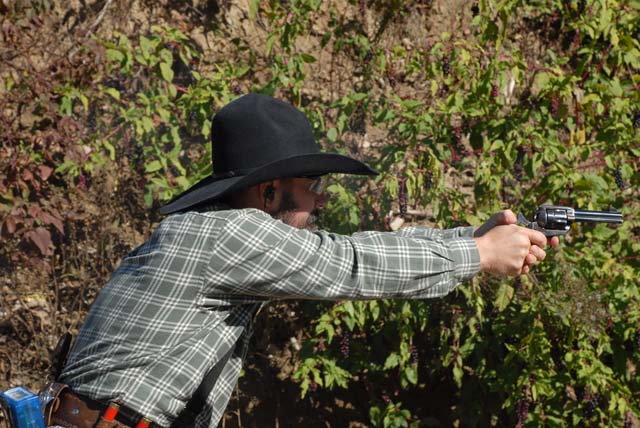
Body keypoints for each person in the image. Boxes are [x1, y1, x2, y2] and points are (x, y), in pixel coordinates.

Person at [49, 93, 556, 428]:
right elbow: (349, 263)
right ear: (269, 192)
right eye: (312, 186)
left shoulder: (208, 229)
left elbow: (355, 251)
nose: (320, 201)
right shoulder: (232, 232)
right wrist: (477, 254)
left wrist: (473, 237)